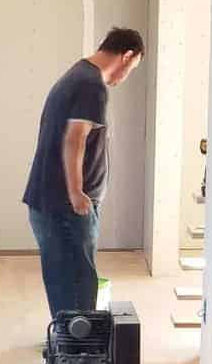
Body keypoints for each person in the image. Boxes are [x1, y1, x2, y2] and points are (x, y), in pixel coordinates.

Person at [22, 27, 144, 317]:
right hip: (65, 207)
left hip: (49, 202)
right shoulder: (92, 85)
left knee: (63, 281)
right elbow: (74, 138)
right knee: (77, 286)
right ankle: (77, 353)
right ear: (126, 56)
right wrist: (76, 193)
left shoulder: (77, 74)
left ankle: (67, 346)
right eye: (132, 68)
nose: (126, 76)